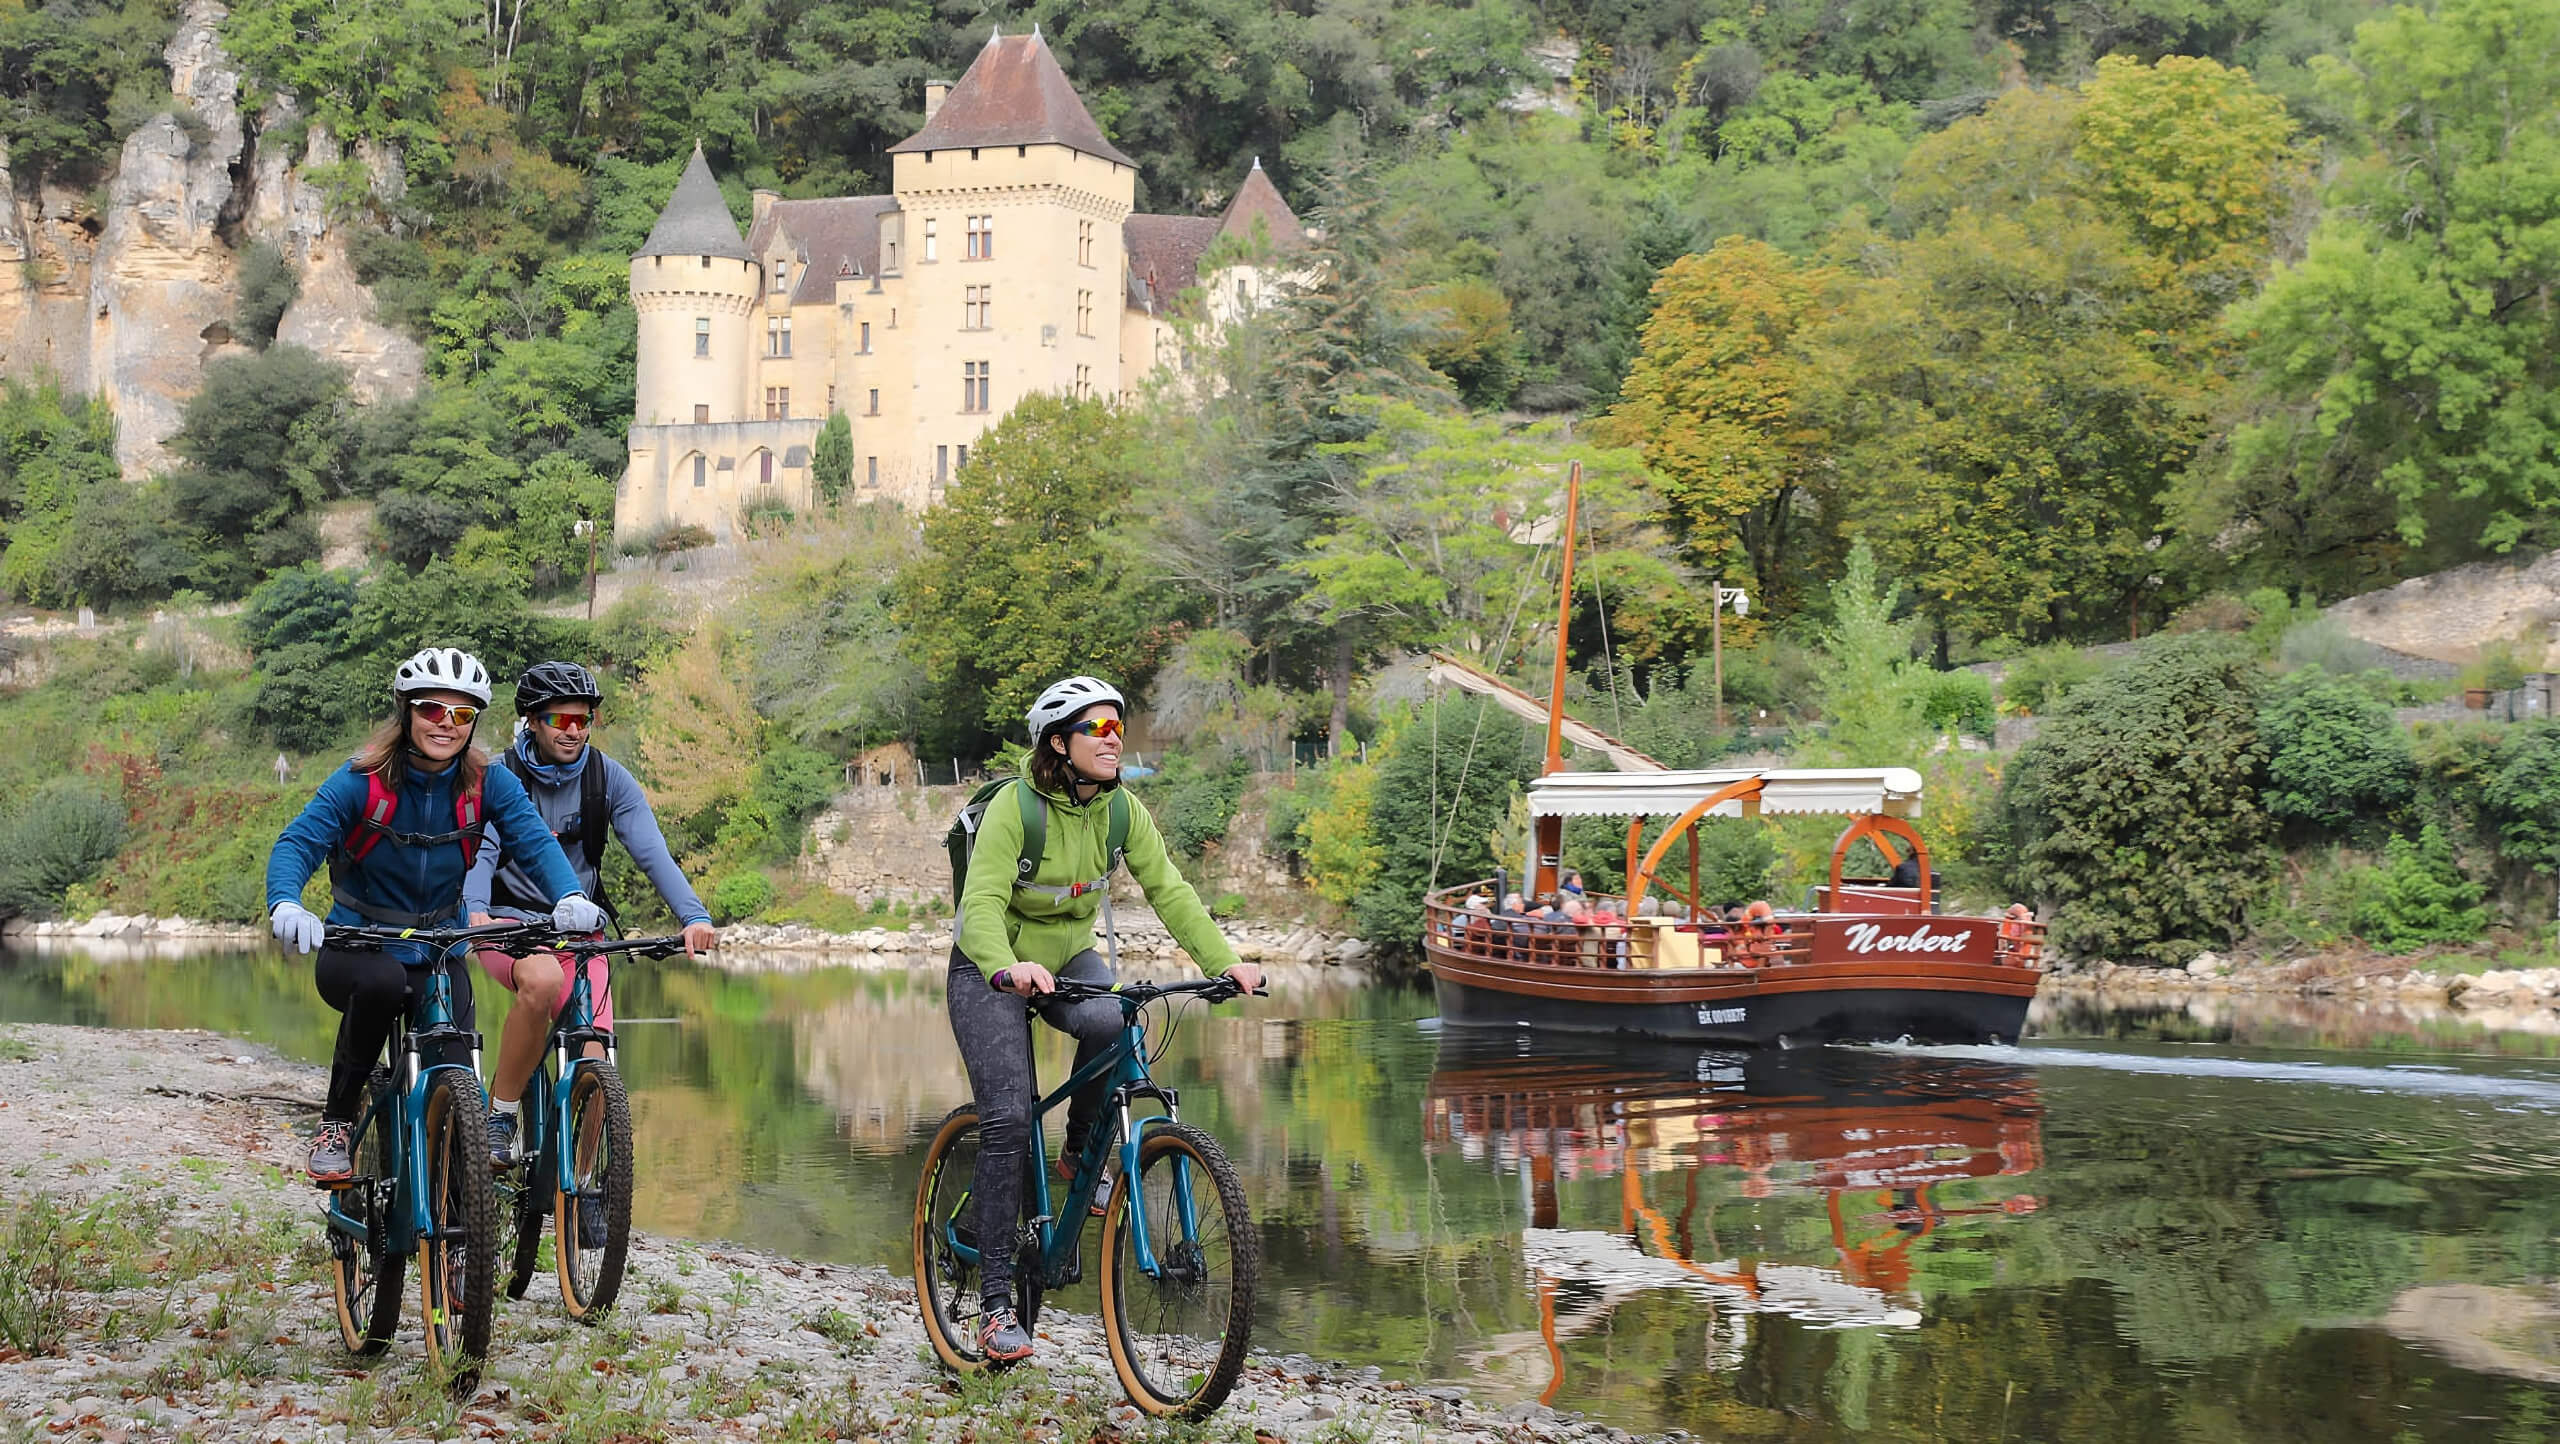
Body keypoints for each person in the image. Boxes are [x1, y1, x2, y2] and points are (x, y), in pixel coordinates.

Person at [949, 676, 1265, 1365]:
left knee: (1122, 1021)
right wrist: (1006, 967)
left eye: (1118, 728)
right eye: (1097, 729)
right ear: (1059, 744)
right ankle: (996, 1307)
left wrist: (1226, 961)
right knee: (1006, 1118)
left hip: (1067, 960)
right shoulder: (1014, 808)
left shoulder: (1122, 810)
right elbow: (979, 908)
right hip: (990, 968)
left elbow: (1171, 891)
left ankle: (1081, 1150)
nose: (1114, 738)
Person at [267, 648, 605, 1182]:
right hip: (358, 948)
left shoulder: (487, 783)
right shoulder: (362, 781)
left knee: (458, 1078)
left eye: (462, 714)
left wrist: (568, 896)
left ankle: (452, 1223)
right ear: (406, 713)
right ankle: (335, 1124)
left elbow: (534, 841)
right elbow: (298, 844)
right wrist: (285, 900)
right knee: (381, 985)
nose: (446, 724)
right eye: (431, 710)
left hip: (438, 948)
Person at [463, 661, 720, 1168]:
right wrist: (473, 912)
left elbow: (652, 854)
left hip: (581, 931)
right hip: (508, 925)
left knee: (596, 1058)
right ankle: (501, 1115)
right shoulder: (500, 777)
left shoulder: (607, 779)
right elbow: (481, 854)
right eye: (562, 721)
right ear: (533, 721)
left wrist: (694, 916)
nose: (575, 731)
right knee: (538, 986)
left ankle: (586, 1187)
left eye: (585, 720)